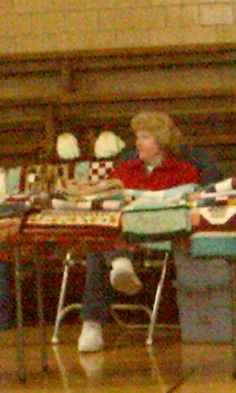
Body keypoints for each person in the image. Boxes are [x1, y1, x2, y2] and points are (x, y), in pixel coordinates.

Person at [79, 110, 201, 351]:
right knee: (99, 241)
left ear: (161, 142)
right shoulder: (123, 171)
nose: (137, 143)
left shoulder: (184, 172)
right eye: (137, 137)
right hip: (120, 235)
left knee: (103, 246)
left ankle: (92, 324)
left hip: (158, 238)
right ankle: (118, 264)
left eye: (144, 137)